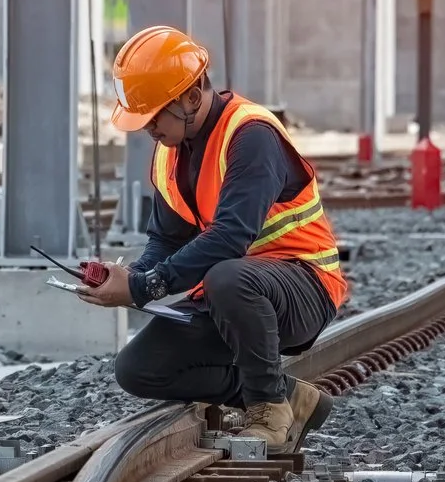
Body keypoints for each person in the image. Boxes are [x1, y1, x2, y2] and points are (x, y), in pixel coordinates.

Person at [77, 25, 347, 448]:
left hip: (303, 287)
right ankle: (289, 396)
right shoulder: (170, 151)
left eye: (153, 115)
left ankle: (268, 412)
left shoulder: (251, 136)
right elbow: (165, 239)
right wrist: (128, 276)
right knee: (138, 369)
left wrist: (145, 287)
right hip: (231, 295)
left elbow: (229, 238)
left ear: (190, 96)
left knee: (226, 275)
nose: (148, 128)